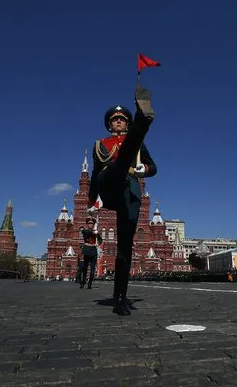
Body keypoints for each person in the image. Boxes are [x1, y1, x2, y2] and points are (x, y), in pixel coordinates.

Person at [87, 86, 157, 315]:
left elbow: (154, 167)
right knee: (117, 164)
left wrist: (142, 168)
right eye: (115, 120)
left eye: (122, 119)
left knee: (125, 245)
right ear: (109, 124)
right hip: (110, 185)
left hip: (130, 190)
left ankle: (120, 297)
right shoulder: (100, 144)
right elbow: (95, 175)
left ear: (126, 123)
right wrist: (91, 200)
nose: (118, 122)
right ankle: (143, 119)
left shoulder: (137, 144)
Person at [79, 216, 102, 289]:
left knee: (92, 269)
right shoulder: (85, 231)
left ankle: (90, 284)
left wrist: (98, 243)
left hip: (93, 251)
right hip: (86, 251)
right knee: (85, 268)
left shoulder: (96, 233)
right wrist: (94, 232)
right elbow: (85, 232)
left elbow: (100, 240)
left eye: (92, 224)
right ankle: (83, 282)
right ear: (87, 224)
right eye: (89, 224)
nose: (90, 225)